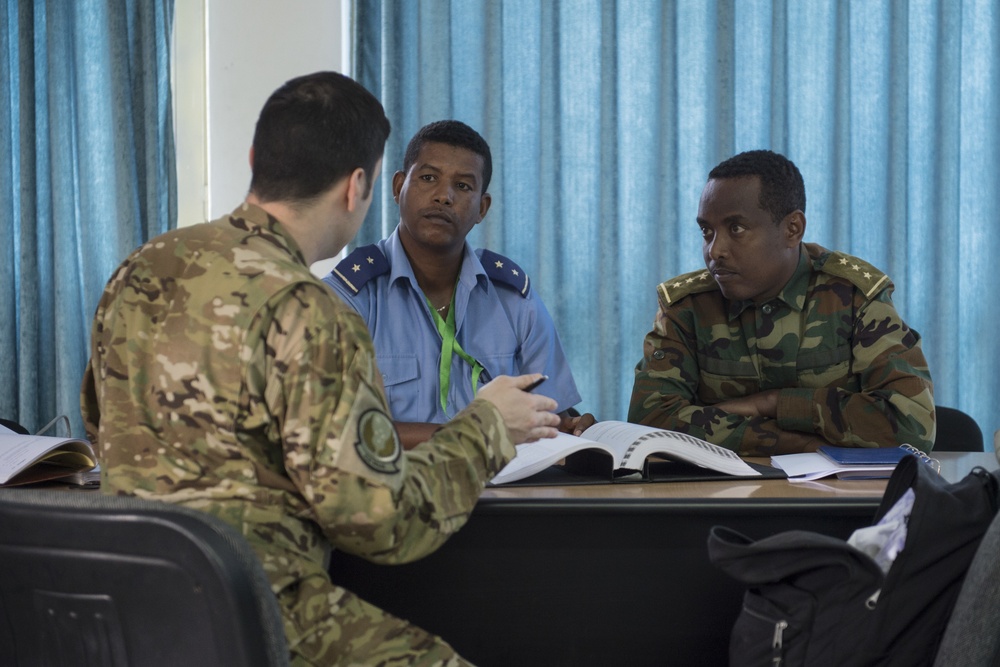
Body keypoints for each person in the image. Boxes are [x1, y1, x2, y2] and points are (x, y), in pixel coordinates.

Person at [80, 72, 560, 666]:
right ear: (361, 186)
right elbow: (383, 526)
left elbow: (99, 429)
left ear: (257, 160)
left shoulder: (144, 267)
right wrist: (488, 423)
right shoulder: (313, 311)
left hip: (120, 610)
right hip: (254, 613)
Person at [628, 149, 935, 456]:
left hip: (836, 499)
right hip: (718, 500)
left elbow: (911, 422)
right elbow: (650, 423)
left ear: (792, 229)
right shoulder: (687, 307)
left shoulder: (853, 296)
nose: (715, 250)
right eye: (707, 231)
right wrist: (794, 441)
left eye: (736, 228)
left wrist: (774, 403)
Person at [325, 120, 594, 448]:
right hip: (394, 493)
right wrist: (481, 436)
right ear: (398, 187)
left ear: (482, 208)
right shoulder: (351, 296)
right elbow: (337, 432)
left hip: (511, 493)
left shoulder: (513, 297)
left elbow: (551, 412)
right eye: (428, 178)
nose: (444, 196)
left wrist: (573, 426)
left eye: (463, 186)